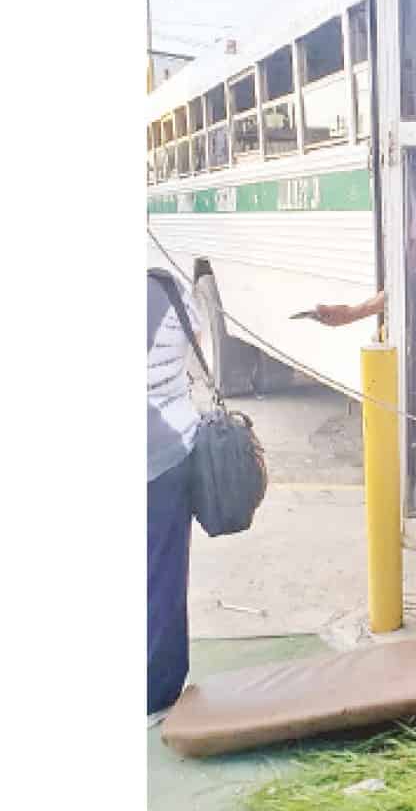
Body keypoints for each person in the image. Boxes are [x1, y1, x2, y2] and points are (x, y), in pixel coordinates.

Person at [147, 268, 202, 717]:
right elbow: (197, 341)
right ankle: (157, 694)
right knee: (163, 576)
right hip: (168, 455)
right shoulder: (169, 287)